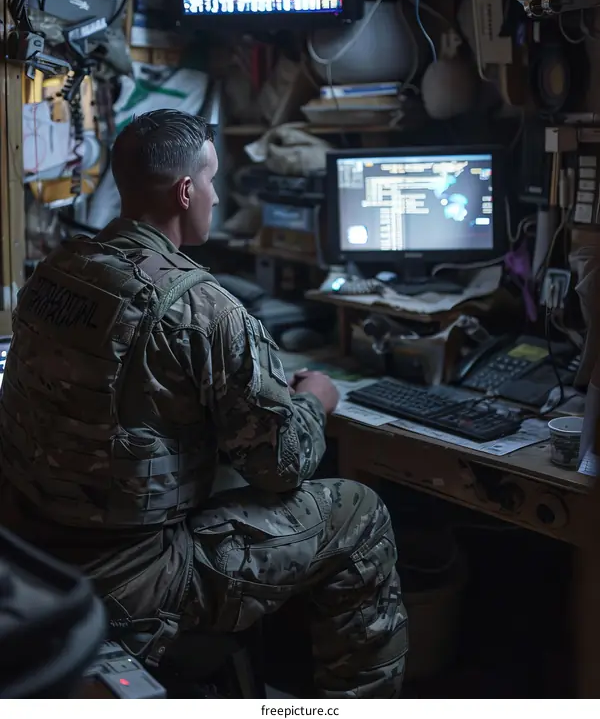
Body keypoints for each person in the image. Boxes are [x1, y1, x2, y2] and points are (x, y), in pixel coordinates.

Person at [0, 109, 408, 697]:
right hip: (136, 576)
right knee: (360, 513)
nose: (215, 197)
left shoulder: (56, 273)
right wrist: (315, 402)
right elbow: (282, 466)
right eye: (212, 180)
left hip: (35, 556)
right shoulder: (203, 310)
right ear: (186, 190)